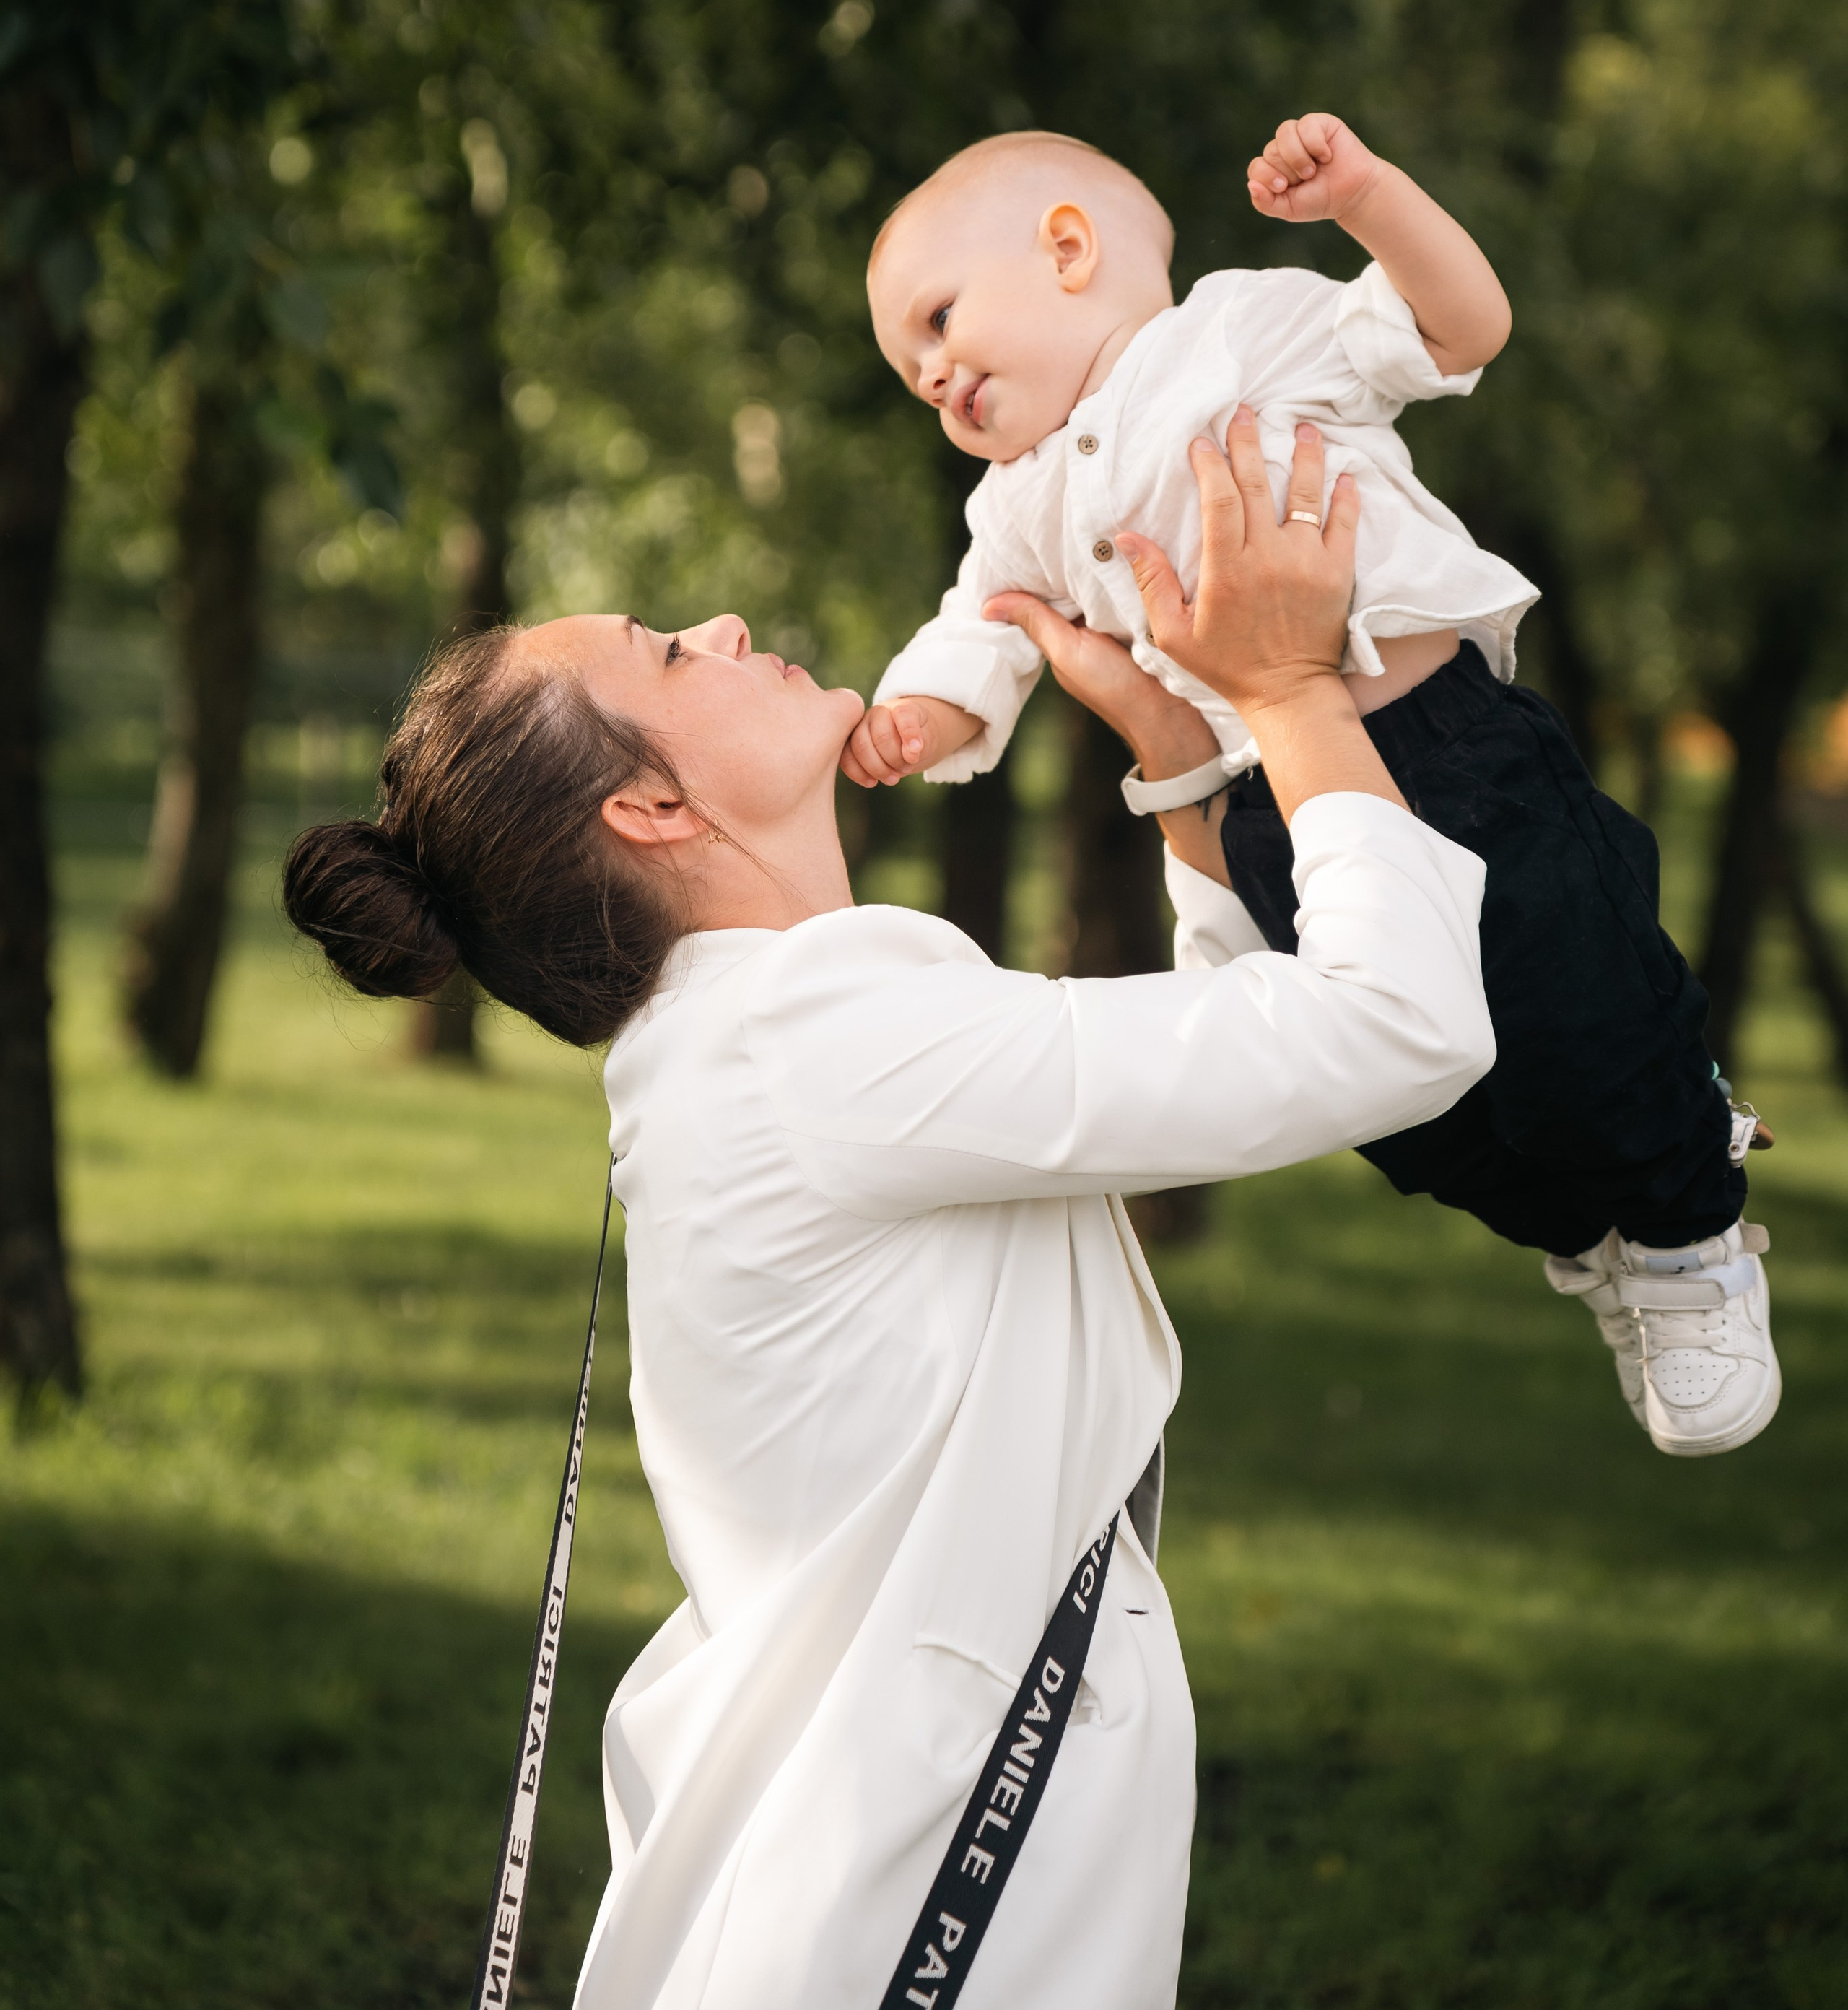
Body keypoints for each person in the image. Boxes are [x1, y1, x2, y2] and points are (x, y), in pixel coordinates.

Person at [284, 416, 1494, 2010]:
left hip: (897, 1844)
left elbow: (1207, 1072)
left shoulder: (778, 1038)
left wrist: (1180, 769)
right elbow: (1400, 1027)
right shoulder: (813, 1046)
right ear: (647, 812)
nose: (718, 627)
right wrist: (1284, 691)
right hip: (925, 1877)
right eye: (665, 652)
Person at [850, 116, 1778, 1459]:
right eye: (909, 373)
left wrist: (1369, 197)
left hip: (1445, 747)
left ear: (1066, 251)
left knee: (1578, 1002)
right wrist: (918, 715)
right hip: (1280, 823)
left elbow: (1454, 331)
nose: (934, 377)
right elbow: (980, 631)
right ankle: (1594, 1237)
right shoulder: (1018, 503)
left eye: (937, 323)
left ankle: (1689, 1230)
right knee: (1408, 1113)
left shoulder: (1237, 330)